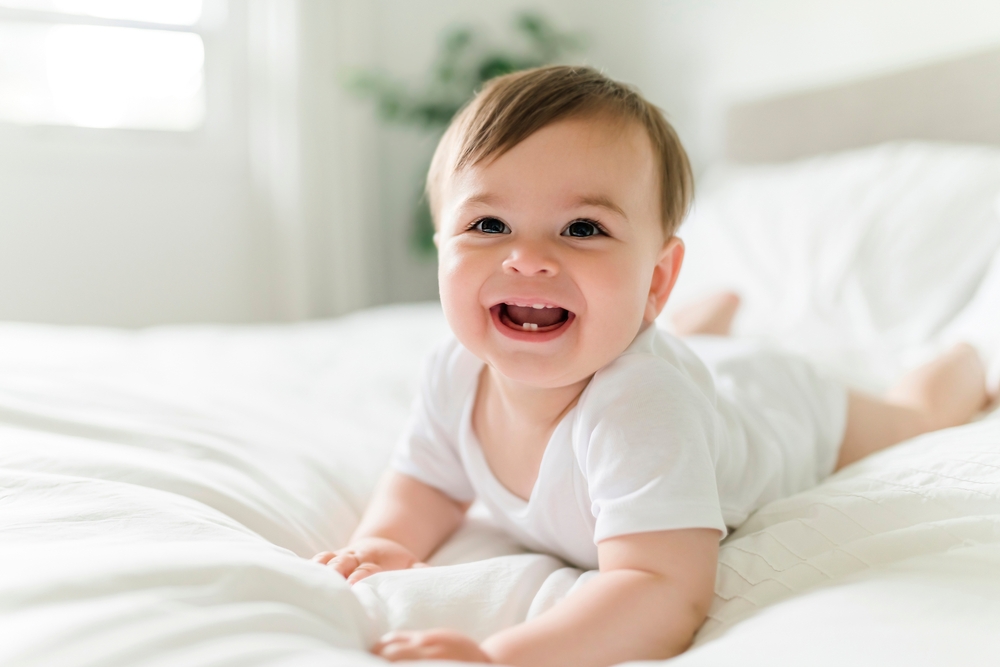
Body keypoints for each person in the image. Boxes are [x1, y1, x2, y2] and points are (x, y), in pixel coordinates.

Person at [312, 66, 989, 667]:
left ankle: (969, 352)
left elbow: (660, 590)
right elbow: (428, 479)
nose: (528, 259)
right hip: (691, 364)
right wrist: (383, 542)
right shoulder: (454, 368)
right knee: (656, 347)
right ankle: (703, 323)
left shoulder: (641, 406)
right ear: (441, 249)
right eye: (488, 225)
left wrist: (504, 655)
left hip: (776, 402)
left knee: (914, 415)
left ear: (657, 279)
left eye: (583, 229)